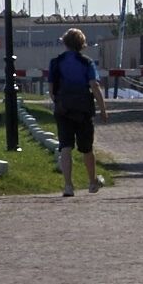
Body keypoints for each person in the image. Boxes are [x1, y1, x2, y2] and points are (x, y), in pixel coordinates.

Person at [45, 27, 108, 196]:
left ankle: (68, 185)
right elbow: (94, 86)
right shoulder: (86, 62)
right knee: (87, 148)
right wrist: (102, 109)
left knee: (65, 146)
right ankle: (92, 182)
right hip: (83, 109)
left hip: (63, 109)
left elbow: (51, 89)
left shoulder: (55, 62)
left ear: (64, 42)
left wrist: (59, 102)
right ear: (82, 44)